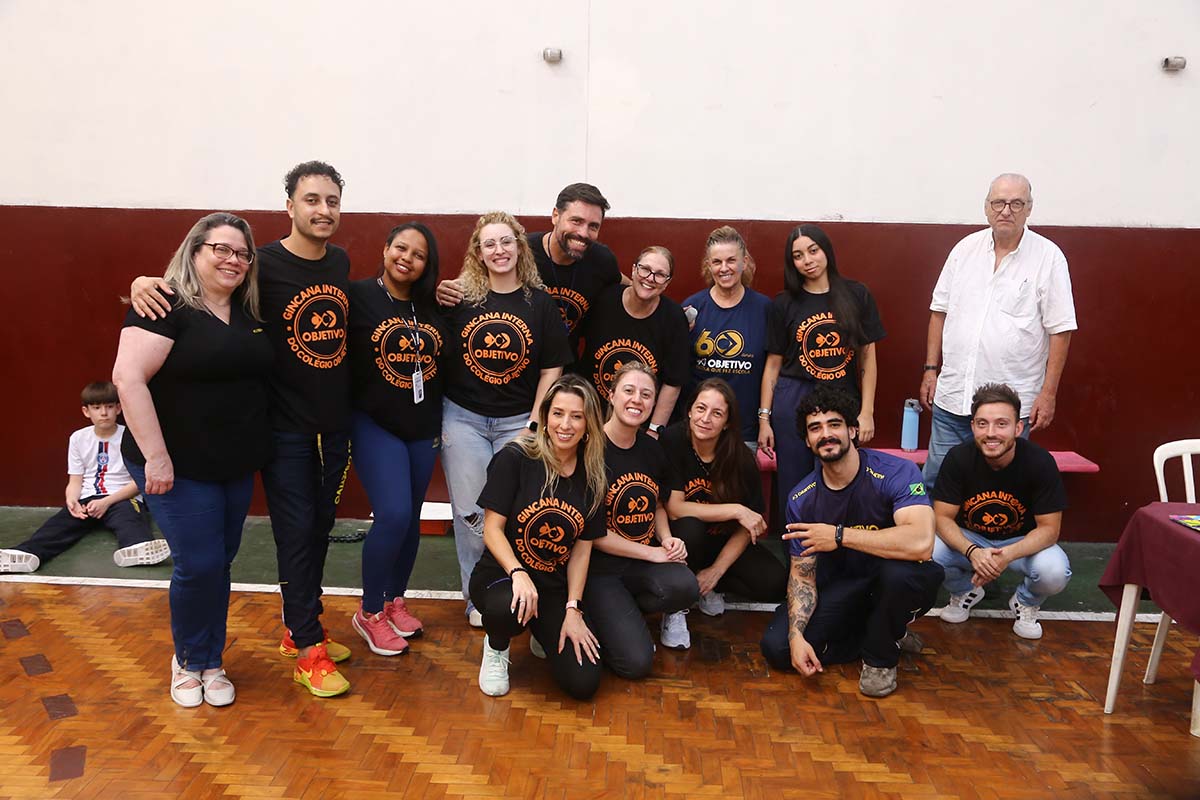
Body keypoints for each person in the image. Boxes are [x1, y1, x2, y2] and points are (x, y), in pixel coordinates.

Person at [129, 161, 355, 698]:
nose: (323, 210)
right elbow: (180, 303)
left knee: (313, 533)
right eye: (312, 199)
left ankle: (299, 626)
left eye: (332, 200)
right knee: (272, 543)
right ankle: (301, 648)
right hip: (278, 433)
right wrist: (142, 281)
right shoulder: (263, 265)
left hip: (304, 434)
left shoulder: (337, 263)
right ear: (290, 206)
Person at [113, 212, 273, 708]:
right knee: (198, 563)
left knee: (219, 562)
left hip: (232, 463)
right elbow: (128, 379)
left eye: (242, 253)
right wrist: (157, 459)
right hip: (175, 465)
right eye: (221, 249)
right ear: (195, 250)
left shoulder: (249, 312)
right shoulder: (164, 306)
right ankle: (187, 660)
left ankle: (211, 660)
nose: (233, 260)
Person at [759, 386, 944, 698]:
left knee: (899, 576)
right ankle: (882, 632)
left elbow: (921, 542)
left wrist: (838, 535)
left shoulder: (896, 471)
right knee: (778, 649)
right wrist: (795, 636)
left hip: (896, 578)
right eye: (815, 428)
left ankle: (880, 658)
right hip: (846, 586)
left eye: (834, 424)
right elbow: (802, 576)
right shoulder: (801, 498)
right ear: (807, 441)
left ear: (853, 430)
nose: (826, 434)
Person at [440, 212, 573, 626]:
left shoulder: (540, 302)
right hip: (463, 420)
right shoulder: (461, 298)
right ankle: (477, 598)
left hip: (519, 422)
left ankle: (519, 592)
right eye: (489, 244)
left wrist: (534, 425)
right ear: (478, 253)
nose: (499, 250)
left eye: (506, 242)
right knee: (471, 515)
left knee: (516, 512)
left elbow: (552, 368)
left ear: (519, 247)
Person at [919, 173, 1077, 491]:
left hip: (1009, 407)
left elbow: (1060, 330)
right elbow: (939, 312)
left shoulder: (1049, 257)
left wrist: (1048, 393)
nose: (1006, 210)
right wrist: (930, 369)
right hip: (953, 396)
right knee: (937, 481)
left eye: (1016, 203)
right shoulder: (964, 250)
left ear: (1029, 208)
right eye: (999, 202)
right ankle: (935, 528)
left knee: (999, 489)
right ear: (986, 207)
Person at [470, 375, 607, 699]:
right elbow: (492, 529)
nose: (565, 424)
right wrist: (518, 572)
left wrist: (573, 609)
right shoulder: (516, 458)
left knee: (584, 682)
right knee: (507, 608)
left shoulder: (594, 476)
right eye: (558, 413)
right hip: (502, 577)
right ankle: (497, 647)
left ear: (588, 424)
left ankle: (540, 630)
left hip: (551, 587)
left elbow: (582, 551)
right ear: (545, 417)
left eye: (576, 416)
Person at [346, 222, 445, 655]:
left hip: (422, 427)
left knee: (411, 519)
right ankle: (369, 612)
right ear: (385, 249)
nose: (407, 258)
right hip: (374, 423)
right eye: (401, 248)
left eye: (418, 254)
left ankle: (393, 600)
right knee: (393, 514)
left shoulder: (433, 304)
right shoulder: (356, 296)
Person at [759, 224, 884, 529]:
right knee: (795, 482)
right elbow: (773, 365)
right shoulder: (784, 303)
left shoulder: (856, 294)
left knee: (841, 476)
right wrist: (764, 418)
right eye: (798, 255)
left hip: (842, 398)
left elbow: (868, 357)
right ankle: (797, 549)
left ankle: (841, 545)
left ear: (826, 250)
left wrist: (866, 411)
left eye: (813, 250)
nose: (808, 260)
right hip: (793, 398)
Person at [932, 383, 1071, 640]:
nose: (991, 433)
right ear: (972, 426)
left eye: (1001, 424)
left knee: (1054, 571)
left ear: (1018, 428)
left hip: (1020, 543)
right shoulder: (958, 458)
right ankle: (964, 591)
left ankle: (1026, 601)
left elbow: (1050, 530)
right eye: (982, 424)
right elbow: (941, 518)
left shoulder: (1040, 462)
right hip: (971, 539)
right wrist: (973, 552)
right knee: (927, 552)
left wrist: (1005, 555)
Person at [585, 362, 699, 674]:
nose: (637, 400)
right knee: (635, 664)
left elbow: (657, 504)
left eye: (646, 394)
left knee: (686, 587)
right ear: (611, 395)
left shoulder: (652, 449)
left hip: (641, 563)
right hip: (600, 570)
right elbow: (592, 533)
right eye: (629, 391)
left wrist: (667, 540)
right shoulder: (589, 449)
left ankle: (626, 616)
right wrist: (653, 553)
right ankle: (602, 617)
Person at [661, 379, 787, 643]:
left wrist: (717, 570)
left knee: (775, 582)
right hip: (683, 539)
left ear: (727, 422)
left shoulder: (741, 458)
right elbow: (675, 509)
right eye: (701, 408)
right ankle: (676, 605)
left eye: (717, 413)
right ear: (689, 410)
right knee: (690, 526)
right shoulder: (672, 440)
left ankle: (707, 584)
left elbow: (750, 525)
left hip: (721, 540)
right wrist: (736, 510)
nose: (705, 419)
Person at [0, 382, 169, 573]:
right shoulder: (78, 438)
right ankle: (27, 554)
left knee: (129, 518)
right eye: (96, 408)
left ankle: (137, 548)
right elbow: (75, 480)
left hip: (121, 497)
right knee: (59, 525)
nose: (104, 413)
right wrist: (72, 500)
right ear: (86, 411)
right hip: (87, 499)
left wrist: (106, 502)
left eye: (109, 407)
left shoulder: (131, 437)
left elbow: (138, 482)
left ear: (118, 408)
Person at [436, 183, 622, 352]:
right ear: (555, 215)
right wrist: (448, 291)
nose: (583, 233)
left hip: (565, 365)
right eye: (576, 221)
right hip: (517, 361)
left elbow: (626, 286)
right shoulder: (522, 251)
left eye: (593, 226)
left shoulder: (602, 261)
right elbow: (477, 276)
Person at [576, 246, 690, 431]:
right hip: (591, 414)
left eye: (660, 275)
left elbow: (673, 381)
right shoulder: (604, 300)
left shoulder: (673, 318)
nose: (650, 278)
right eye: (645, 269)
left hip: (638, 424)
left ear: (667, 283)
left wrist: (653, 431)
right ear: (634, 269)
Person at [682, 226, 772, 448]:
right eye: (717, 262)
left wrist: (764, 420)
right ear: (708, 265)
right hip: (698, 430)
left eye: (731, 260)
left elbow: (772, 371)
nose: (724, 268)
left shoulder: (765, 309)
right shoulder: (692, 308)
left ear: (744, 262)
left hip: (745, 433)